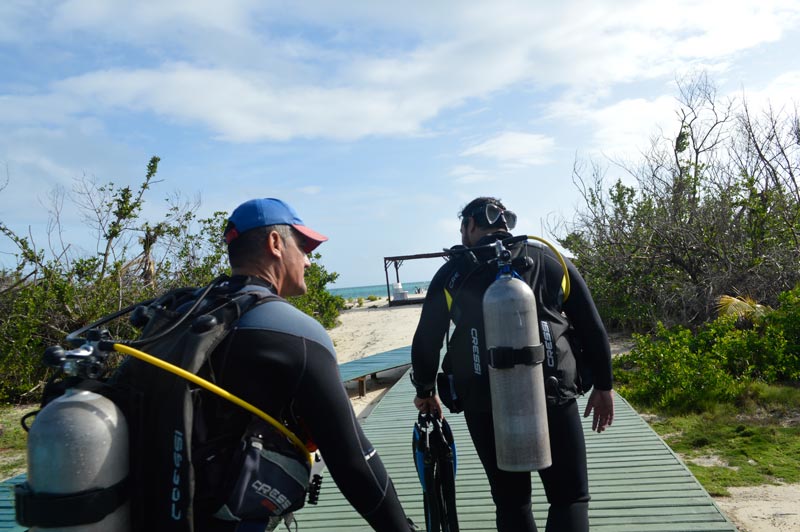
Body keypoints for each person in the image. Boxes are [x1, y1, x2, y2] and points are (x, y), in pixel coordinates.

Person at [196, 198, 413, 531]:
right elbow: (352, 458)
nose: (309, 261)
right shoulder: (293, 332)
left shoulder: (187, 316)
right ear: (275, 243)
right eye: (304, 246)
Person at [410, 196, 614, 532]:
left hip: (482, 398)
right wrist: (604, 385)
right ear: (506, 223)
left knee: (511, 501)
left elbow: (427, 340)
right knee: (569, 498)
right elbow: (592, 326)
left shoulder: (452, 273)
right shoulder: (548, 259)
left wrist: (426, 391)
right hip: (552, 394)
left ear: (470, 225)